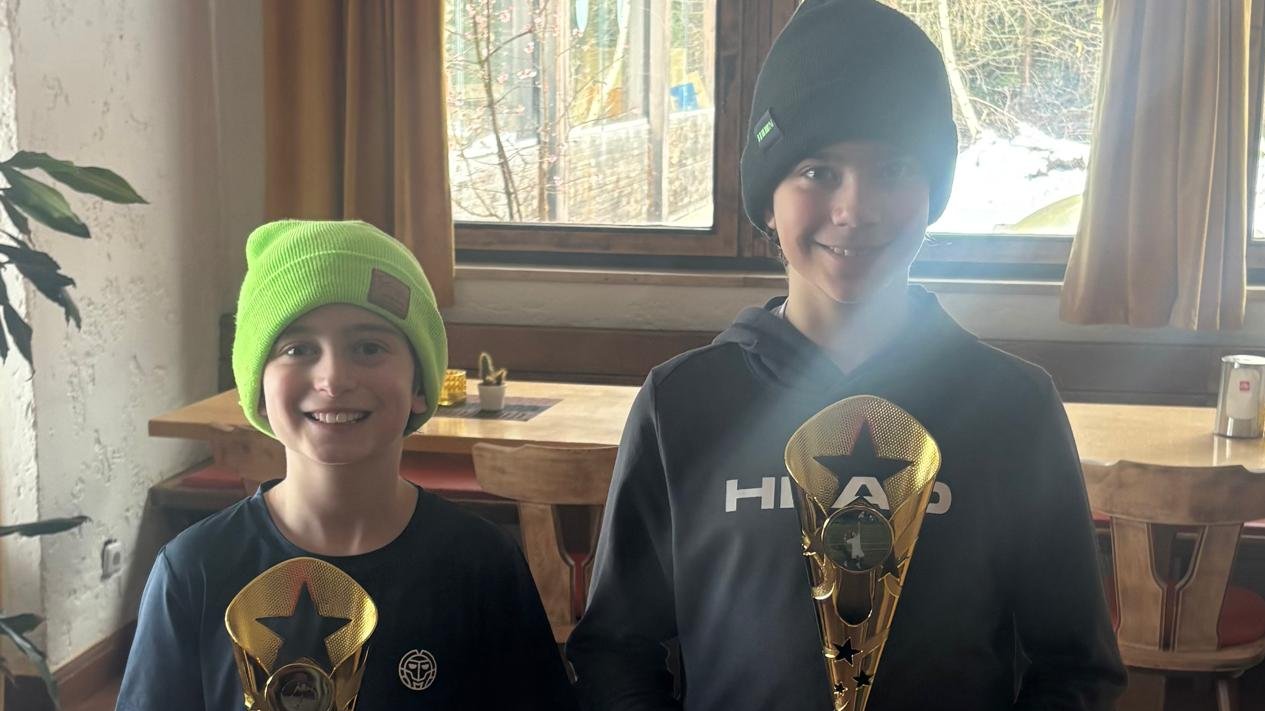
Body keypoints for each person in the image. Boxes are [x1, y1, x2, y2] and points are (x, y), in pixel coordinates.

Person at [565, 1, 1126, 709]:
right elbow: (616, 648)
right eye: (817, 170)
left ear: (933, 191)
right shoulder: (682, 405)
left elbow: (1076, 667)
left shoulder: (1013, 407)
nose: (855, 209)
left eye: (892, 168)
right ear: (767, 199)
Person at [117, 220, 576, 710]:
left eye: (369, 347)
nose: (333, 379)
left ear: (420, 385)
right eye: (298, 349)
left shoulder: (482, 565)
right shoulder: (193, 570)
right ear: (258, 390)